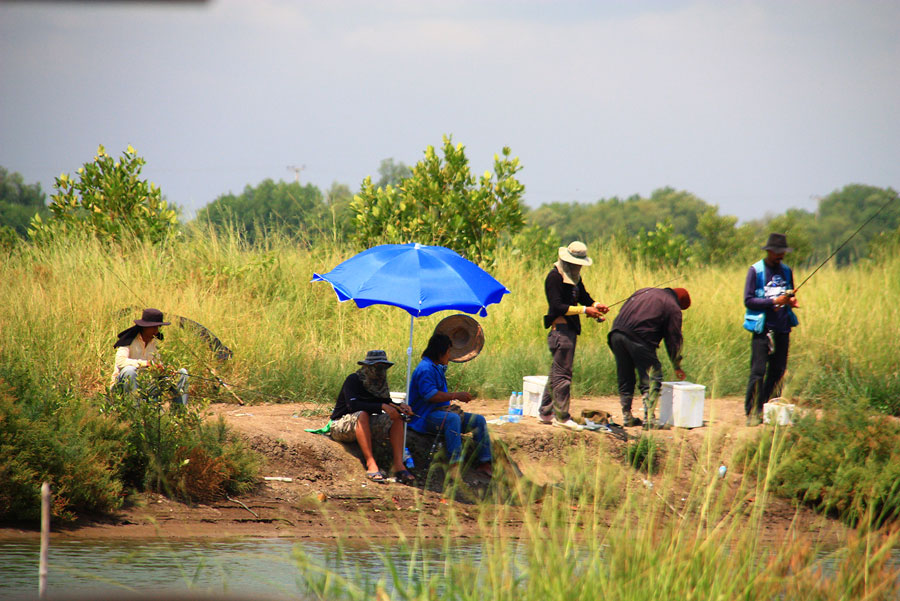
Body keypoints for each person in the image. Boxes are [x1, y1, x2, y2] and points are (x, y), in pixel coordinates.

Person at [540, 241, 609, 431]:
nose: (579, 267)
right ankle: (561, 417)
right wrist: (585, 310)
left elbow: (584, 297)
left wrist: (595, 305)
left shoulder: (574, 278)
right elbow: (557, 307)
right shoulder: (554, 277)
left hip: (569, 331)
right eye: (576, 264)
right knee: (563, 376)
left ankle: (546, 412)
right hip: (560, 333)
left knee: (556, 373)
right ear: (567, 261)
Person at [407, 333, 492, 479]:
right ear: (440, 352)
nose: (450, 355)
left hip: (439, 413)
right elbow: (431, 395)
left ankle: (485, 462)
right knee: (452, 419)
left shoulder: (435, 366)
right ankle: (454, 466)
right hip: (423, 417)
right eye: (448, 352)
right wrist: (456, 395)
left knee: (478, 421)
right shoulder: (425, 369)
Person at [607, 287, 691, 428]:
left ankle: (627, 416)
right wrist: (677, 365)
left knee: (625, 376)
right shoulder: (672, 306)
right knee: (653, 375)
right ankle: (649, 419)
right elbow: (673, 339)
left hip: (616, 334)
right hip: (638, 338)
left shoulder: (644, 291)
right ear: (680, 303)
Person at [329, 350, 416, 484]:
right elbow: (353, 405)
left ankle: (399, 465)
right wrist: (381, 406)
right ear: (368, 367)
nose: (381, 371)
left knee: (397, 417)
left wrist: (400, 406)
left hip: (363, 424)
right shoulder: (354, 380)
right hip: (341, 425)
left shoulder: (379, 384)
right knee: (362, 414)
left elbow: (386, 402)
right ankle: (371, 463)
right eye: (377, 367)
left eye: (383, 368)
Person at [743, 233, 799, 426]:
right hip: (763, 329)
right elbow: (748, 300)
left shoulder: (786, 270)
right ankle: (752, 412)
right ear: (768, 251)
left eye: (782, 252)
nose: (779, 256)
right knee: (758, 371)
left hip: (783, 327)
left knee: (778, 371)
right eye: (776, 252)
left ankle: (768, 409)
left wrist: (790, 301)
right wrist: (774, 301)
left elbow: (788, 293)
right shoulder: (756, 271)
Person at [111, 307, 188, 406]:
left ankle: (179, 413)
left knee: (182, 373)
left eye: (158, 327)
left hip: (146, 387)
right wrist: (146, 364)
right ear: (145, 327)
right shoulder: (128, 340)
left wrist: (164, 369)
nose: (156, 331)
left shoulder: (153, 342)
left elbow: (156, 364)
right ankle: (135, 411)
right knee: (130, 370)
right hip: (123, 388)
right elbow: (120, 362)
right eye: (154, 327)